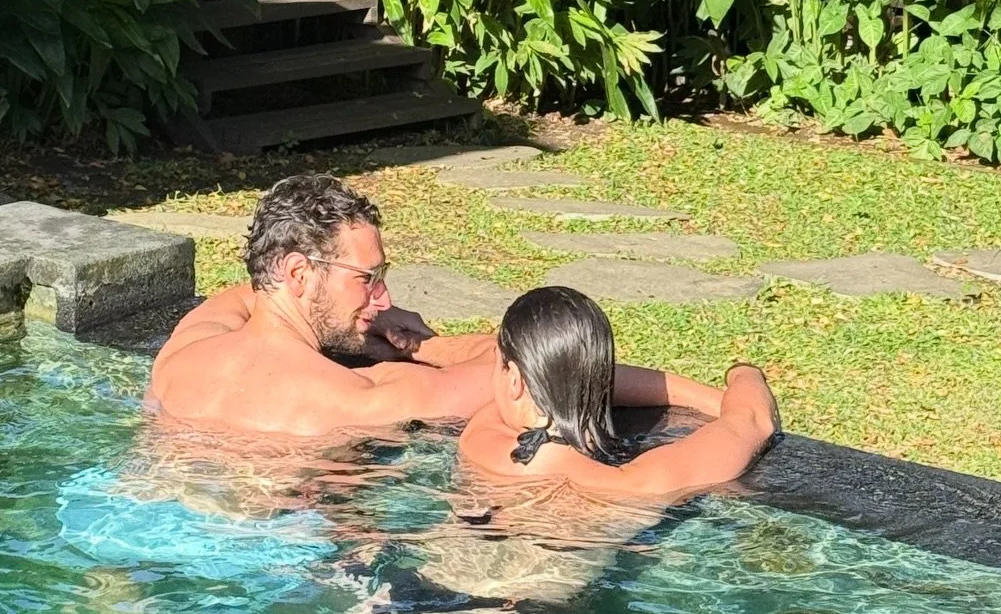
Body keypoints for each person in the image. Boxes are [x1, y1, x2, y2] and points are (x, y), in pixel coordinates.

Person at [148, 174, 728, 439]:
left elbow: (245, 295)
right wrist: (714, 400)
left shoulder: (185, 351)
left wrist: (362, 318)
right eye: (368, 279)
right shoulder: (359, 398)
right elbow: (545, 368)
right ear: (299, 274)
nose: (384, 298)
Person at [459, 285, 779, 509]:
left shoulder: (479, 440)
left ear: (514, 379)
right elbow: (753, 420)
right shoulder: (628, 488)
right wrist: (744, 373)